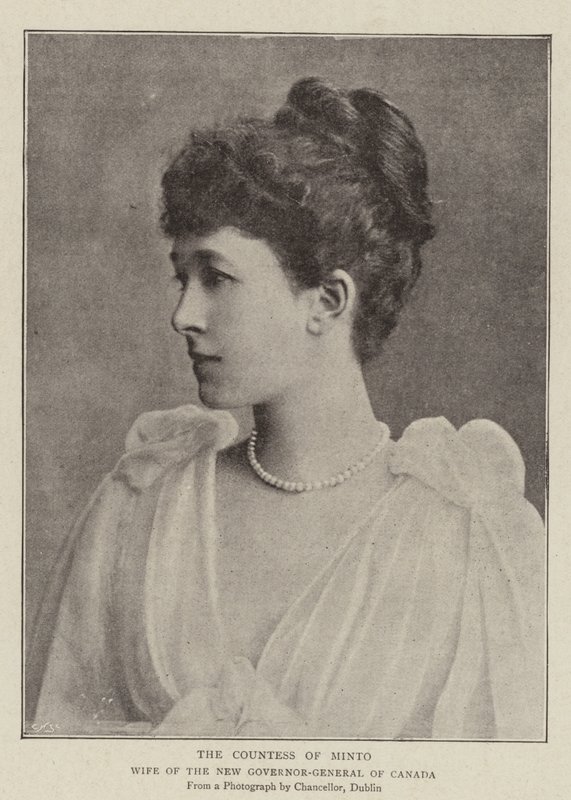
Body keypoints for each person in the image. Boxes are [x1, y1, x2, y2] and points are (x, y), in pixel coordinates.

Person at [29, 77, 544, 739]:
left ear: (327, 301)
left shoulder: (466, 536)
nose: (183, 314)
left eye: (217, 277)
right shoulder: (138, 509)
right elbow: (54, 749)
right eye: (181, 278)